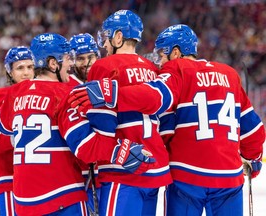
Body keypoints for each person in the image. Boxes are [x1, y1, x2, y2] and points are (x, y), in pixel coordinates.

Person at [69, 24, 265, 216]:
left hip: (188, 179)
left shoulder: (177, 69)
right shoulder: (229, 74)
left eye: (162, 55)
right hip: (229, 178)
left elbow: (154, 97)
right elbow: (254, 129)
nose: (160, 62)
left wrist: (113, 93)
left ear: (176, 52)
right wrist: (254, 158)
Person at [0, 32, 153, 216]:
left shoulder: (15, 93)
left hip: (23, 201)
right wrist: (122, 150)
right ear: (53, 64)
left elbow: (3, 126)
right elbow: (86, 146)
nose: (70, 64)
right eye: (67, 58)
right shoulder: (63, 94)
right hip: (61, 196)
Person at [72, 9, 172, 216]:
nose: (105, 45)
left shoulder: (103, 66)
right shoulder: (152, 68)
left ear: (118, 37)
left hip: (123, 169)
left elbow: (104, 127)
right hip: (155, 166)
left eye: (107, 38)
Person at [0, 46, 35, 216]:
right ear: (9, 72)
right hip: (8, 178)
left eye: (30, 67)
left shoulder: (40, 94)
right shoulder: (1, 96)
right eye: (20, 68)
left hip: (35, 179)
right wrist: (21, 136)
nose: (26, 73)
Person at [69, 32, 101, 214]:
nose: (87, 62)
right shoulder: (67, 87)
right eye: (81, 58)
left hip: (103, 172)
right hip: (76, 174)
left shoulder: (106, 84)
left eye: (91, 57)